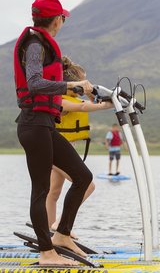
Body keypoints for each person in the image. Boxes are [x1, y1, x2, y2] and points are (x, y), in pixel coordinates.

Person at [14, 0, 94, 266]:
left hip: (44, 125)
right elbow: (34, 83)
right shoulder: (36, 45)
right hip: (33, 124)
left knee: (83, 177)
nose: (63, 22)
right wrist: (72, 87)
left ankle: (62, 235)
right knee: (41, 189)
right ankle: (47, 253)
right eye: (63, 18)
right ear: (57, 20)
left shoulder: (43, 44)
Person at [46, 56, 114, 235]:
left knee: (54, 191)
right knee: (87, 185)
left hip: (60, 150)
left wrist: (100, 95)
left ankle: (50, 229)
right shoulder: (60, 100)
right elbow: (83, 107)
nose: (85, 87)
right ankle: (59, 225)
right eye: (82, 84)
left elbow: (90, 100)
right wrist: (108, 106)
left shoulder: (73, 97)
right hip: (54, 150)